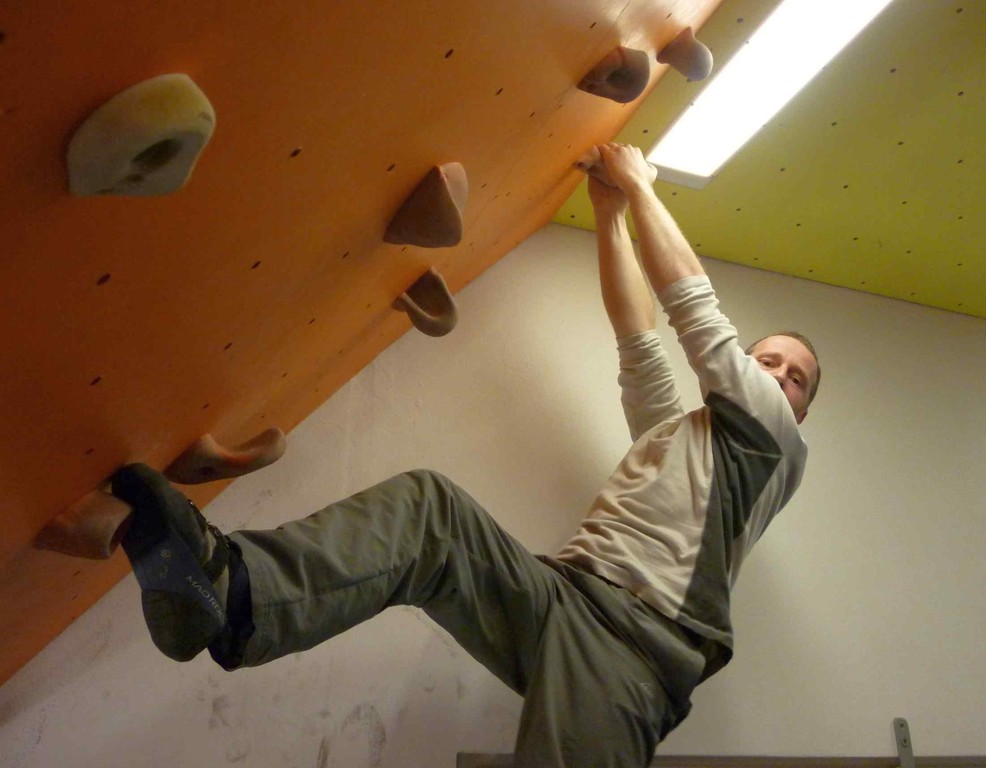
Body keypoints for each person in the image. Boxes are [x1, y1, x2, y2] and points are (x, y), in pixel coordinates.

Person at [112, 143, 820, 768]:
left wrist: (638, 187)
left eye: (795, 377)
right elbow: (637, 337)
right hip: (560, 596)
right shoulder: (684, 433)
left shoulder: (775, 442)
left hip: (634, 647)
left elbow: (695, 317)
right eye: (772, 361)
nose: (778, 376)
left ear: (800, 412)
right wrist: (607, 212)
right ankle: (235, 595)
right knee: (432, 514)